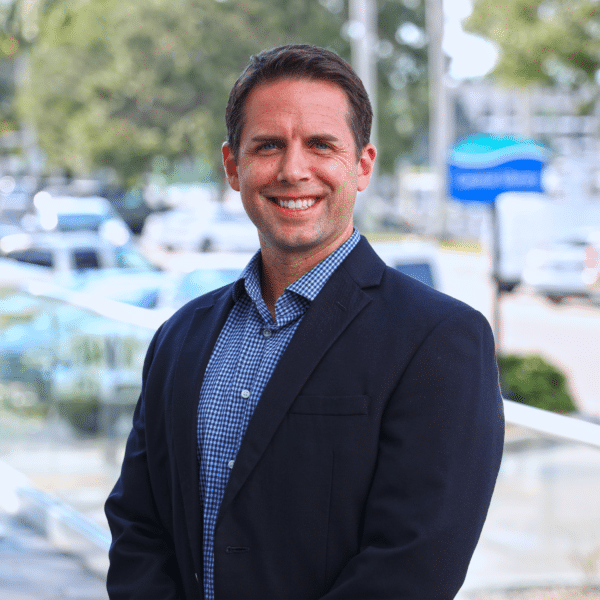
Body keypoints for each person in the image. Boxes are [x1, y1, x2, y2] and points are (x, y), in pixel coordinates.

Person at [105, 44, 504, 600]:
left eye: (321, 145)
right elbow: (137, 525)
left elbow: (412, 567)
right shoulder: (180, 336)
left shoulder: (439, 340)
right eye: (268, 145)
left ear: (362, 165)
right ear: (233, 166)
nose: (294, 170)